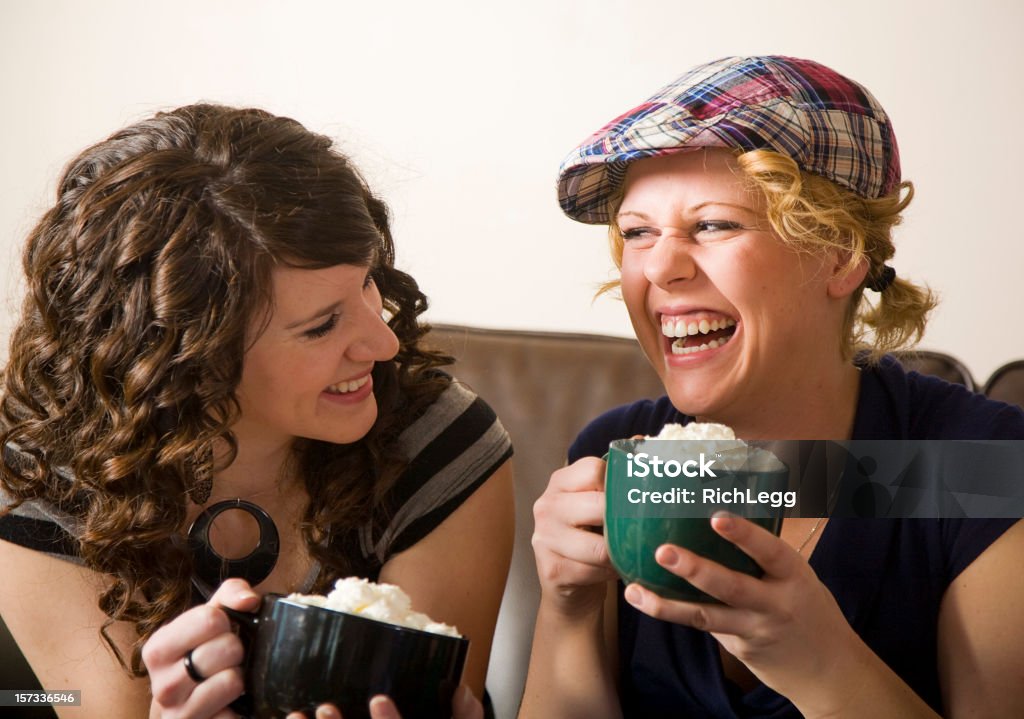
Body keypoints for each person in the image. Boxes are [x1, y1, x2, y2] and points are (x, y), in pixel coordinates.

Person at [521, 56, 1024, 718]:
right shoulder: (616, 454)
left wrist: (820, 662)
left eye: (712, 225)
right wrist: (569, 606)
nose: (660, 268)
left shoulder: (975, 466)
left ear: (840, 252)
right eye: (638, 232)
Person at [0, 104, 513, 719]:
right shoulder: (33, 469)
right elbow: (90, 706)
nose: (384, 344)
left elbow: (419, 701)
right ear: (186, 357)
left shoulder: (438, 443)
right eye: (321, 326)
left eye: (368, 283)